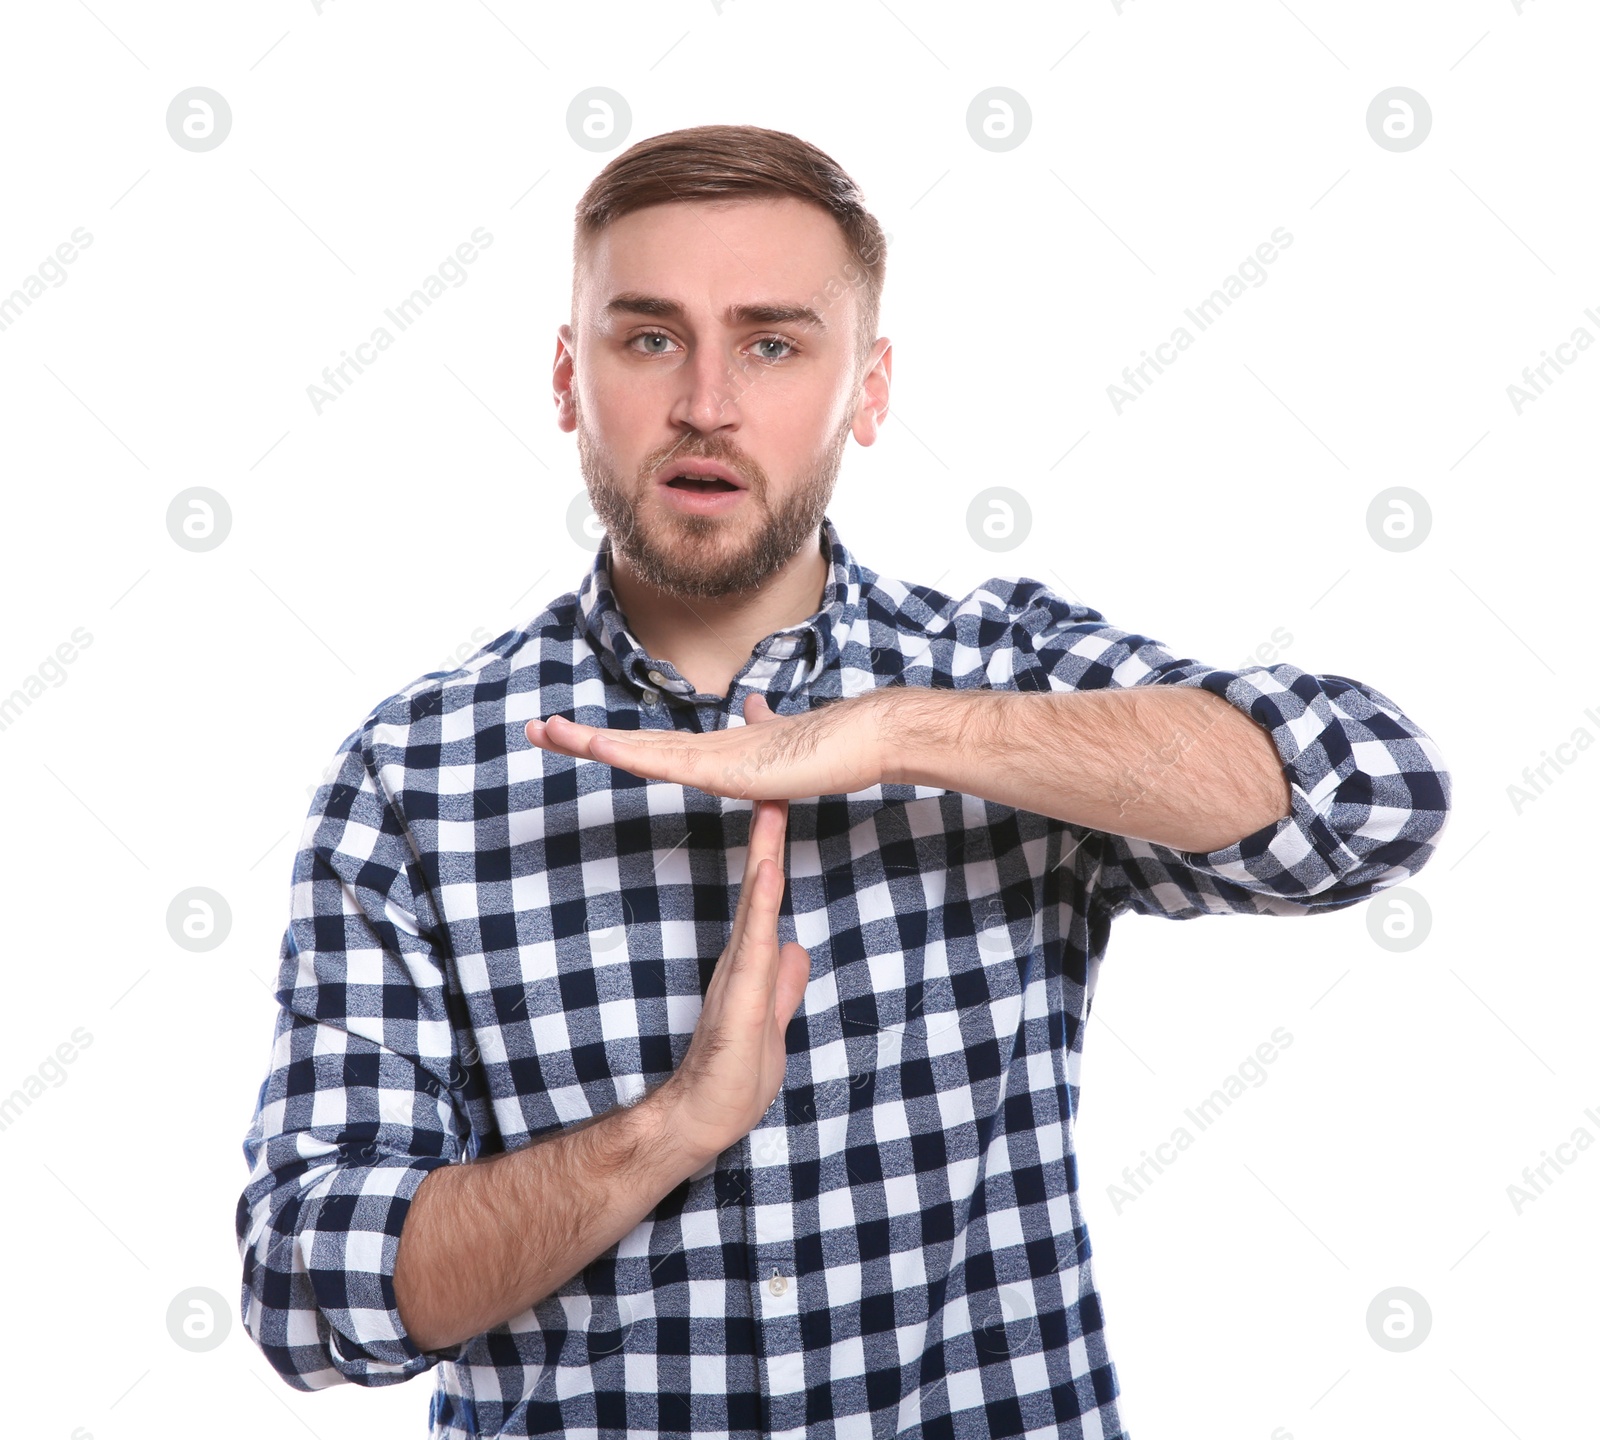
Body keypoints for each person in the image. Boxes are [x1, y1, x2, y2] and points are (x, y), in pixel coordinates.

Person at [235, 124, 1452, 1439]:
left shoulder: (998, 674)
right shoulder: (416, 771)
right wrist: (674, 1127)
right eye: (649, 338)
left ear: (867, 390)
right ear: (567, 376)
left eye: (772, 342)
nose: (706, 400)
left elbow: (1379, 794)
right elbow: (307, 1290)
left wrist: (901, 733)